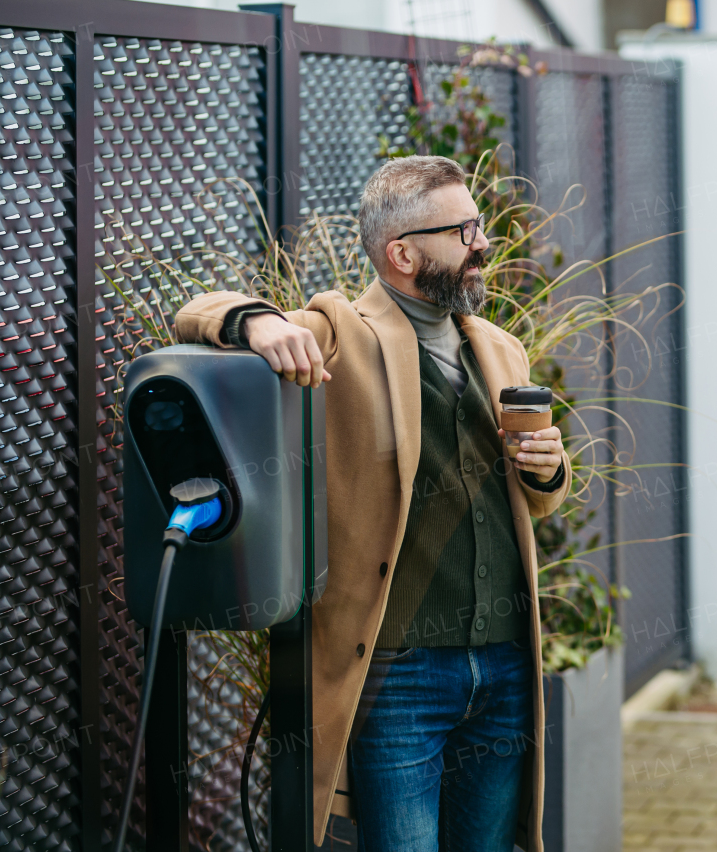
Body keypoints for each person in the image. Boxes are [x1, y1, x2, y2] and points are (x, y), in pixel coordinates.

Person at [174, 155, 571, 852]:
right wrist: (258, 324)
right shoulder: (340, 332)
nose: (483, 243)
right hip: (400, 675)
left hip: (507, 663)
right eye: (465, 230)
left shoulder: (500, 348)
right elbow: (193, 315)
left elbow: (538, 503)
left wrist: (548, 468)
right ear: (404, 254)